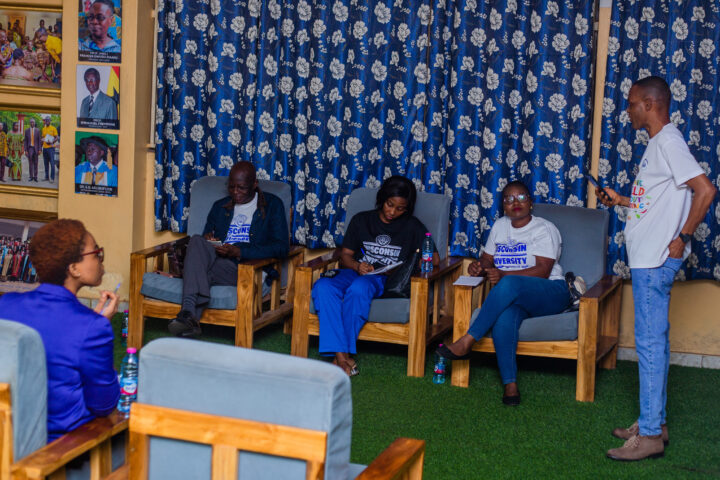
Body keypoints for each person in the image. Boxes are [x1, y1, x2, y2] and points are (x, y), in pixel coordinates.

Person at [598, 76, 716, 461]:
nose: (628, 110)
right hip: (647, 257)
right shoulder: (657, 144)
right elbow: (654, 202)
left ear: (650, 104)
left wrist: (683, 237)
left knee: (649, 346)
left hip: (655, 260)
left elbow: (706, 190)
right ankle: (656, 423)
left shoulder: (668, 141)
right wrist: (620, 200)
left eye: (632, 103)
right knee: (655, 344)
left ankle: (649, 436)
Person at [437, 181, 571, 406]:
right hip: (517, 297)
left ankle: (467, 341)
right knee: (504, 317)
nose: (515, 202)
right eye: (509, 199)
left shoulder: (544, 228)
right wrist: (479, 266)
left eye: (521, 197)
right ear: (503, 206)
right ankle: (510, 385)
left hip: (551, 292)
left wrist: (503, 274)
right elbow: (487, 258)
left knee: (509, 283)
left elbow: (543, 270)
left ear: (530, 202)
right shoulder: (500, 226)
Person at [0, 219, 120, 441]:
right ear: (73, 269)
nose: (101, 259)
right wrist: (99, 325)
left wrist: (95, 322)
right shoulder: (92, 327)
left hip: (7, 440)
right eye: (96, 253)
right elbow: (104, 404)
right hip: (60, 449)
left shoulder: (5, 304)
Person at [311, 176, 438, 376]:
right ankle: (343, 357)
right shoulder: (361, 220)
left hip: (381, 278)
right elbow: (345, 255)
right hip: (354, 271)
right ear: (382, 199)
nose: (392, 212)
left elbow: (435, 258)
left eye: (400, 208)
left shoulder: (412, 226)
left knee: (360, 287)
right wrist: (357, 265)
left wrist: (418, 264)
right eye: (390, 205)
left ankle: (340, 358)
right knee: (323, 286)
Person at [167, 161, 290, 337]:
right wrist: (212, 241)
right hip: (219, 261)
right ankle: (188, 316)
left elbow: (281, 248)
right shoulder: (220, 206)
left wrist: (240, 252)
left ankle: (188, 316)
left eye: (241, 188)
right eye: (231, 187)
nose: (235, 192)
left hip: (247, 269)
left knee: (197, 269)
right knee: (196, 241)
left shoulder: (272, 205)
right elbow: (205, 242)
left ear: (254, 184)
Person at [23, 118, 42, 182]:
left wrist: (40, 149)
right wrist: (25, 150)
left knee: (36, 163)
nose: (32, 123)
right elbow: (25, 141)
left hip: (36, 148)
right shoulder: (26, 131)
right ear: (29, 123)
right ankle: (31, 176)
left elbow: (39, 141)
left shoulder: (37, 130)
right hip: (30, 148)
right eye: (31, 122)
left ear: (34, 123)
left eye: (33, 122)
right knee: (30, 163)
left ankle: (35, 177)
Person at [41, 116, 58, 182]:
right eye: (46, 120)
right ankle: (46, 177)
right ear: (45, 121)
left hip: (51, 148)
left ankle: (52, 178)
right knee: (46, 164)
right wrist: (42, 140)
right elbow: (43, 137)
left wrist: (52, 142)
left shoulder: (53, 128)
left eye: (48, 120)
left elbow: (56, 137)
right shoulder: (43, 129)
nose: (47, 121)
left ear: (50, 121)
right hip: (45, 148)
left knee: (52, 163)